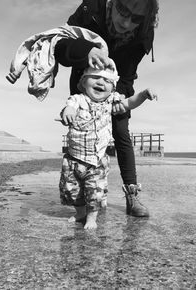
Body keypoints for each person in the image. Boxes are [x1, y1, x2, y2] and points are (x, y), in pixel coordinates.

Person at [54, 0, 159, 217]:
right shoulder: (90, 9)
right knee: (81, 132)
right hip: (86, 80)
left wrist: (120, 95)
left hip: (117, 85)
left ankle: (132, 194)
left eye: (136, 19)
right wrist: (86, 51)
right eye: (123, 11)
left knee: (121, 131)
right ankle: (82, 194)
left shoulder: (144, 31)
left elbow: (129, 72)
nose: (127, 22)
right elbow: (60, 46)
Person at [59, 61, 157, 230]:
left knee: (94, 192)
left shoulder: (111, 102)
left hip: (96, 160)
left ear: (112, 88)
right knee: (72, 191)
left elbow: (128, 103)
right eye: (95, 77)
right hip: (73, 159)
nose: (100, 82)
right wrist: (68, 112)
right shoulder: (78, 99)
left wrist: (142, 95)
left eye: (106, 81)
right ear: (83, 82)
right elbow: (70, 107)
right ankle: (80, 213)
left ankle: (91, 217)